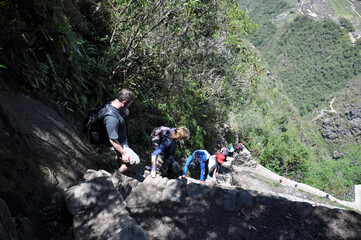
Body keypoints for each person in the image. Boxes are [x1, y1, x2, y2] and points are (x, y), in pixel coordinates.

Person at [103, 88, 140, 174]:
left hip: (121, 138)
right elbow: (112, 139)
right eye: (130, 103)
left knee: (124, 156)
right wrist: (123, 153)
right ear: (124, 102)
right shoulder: (111, 118)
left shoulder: (113, 103)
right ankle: (118, 173)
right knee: (136, 160)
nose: (130, 105)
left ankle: (121, 164)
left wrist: (124, 111)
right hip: (117, 141)